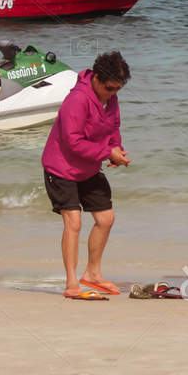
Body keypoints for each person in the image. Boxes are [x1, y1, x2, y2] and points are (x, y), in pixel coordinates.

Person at [42, 51, 130, 300]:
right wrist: (107, 152)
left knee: (106, 219)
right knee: (74, 222)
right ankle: (71, 282)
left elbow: (113, 128)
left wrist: (117, 151)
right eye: (110, 88)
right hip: (61, 167)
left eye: (117, 90)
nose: (113, 94)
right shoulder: (77, 100)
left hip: (89, 167)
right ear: (98, 79)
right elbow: (72, 143)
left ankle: (92, 273)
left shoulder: (110, 98)